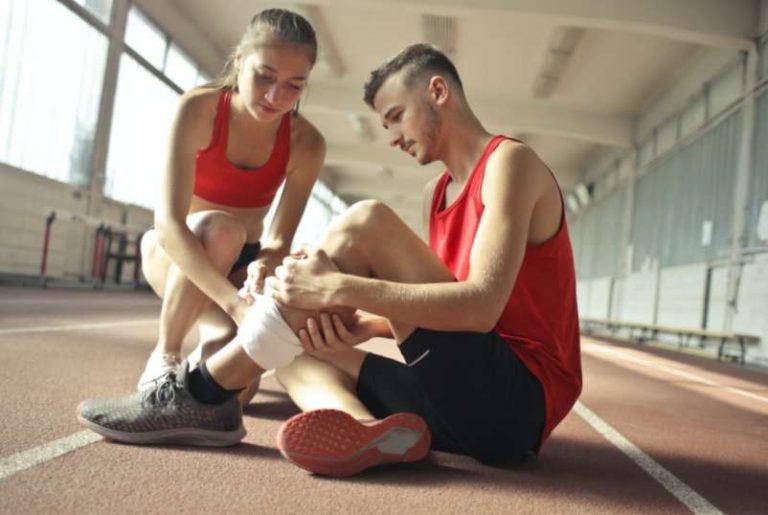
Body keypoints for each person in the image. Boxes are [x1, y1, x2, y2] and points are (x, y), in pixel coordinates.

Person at [77, 44, 581, 477]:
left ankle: (202, 391)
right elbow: (442, 312)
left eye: (395, 117)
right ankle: (363, 428)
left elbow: (480, 309)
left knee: (366, 221)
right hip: (459, 406)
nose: (392, 137)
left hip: (513, 406)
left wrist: (338, 290)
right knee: (297, 345)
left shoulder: (508, 164)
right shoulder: (437, 193)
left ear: (438, 92)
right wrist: (360, 323)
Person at [136, 9, 325, 404]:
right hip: (176, 253)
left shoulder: (307, 144)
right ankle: (165, 355)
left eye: (294, 85)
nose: (276, 97)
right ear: (239, 60)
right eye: (265, 76)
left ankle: (208, 342)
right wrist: (232, 304)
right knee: (223, 230)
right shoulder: (198, 109)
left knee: (234, 395)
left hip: (241, 268)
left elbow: (278, 240)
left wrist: (264, 266)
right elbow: (169, 223)